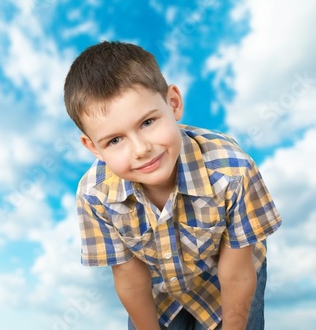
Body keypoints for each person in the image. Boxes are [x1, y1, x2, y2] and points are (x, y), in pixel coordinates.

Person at [63, 41, 282, 330]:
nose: (140, 149)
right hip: (159, 288)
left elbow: (237, 275)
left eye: (148, 122)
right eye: (115, 140)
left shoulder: (232, 171)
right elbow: (130, 279)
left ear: (173, 104)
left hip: (231, 277)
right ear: (94, 148)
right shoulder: (95, 195)